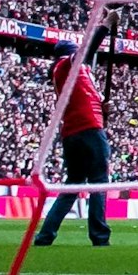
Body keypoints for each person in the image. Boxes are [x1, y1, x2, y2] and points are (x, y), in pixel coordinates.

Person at [34, 37, 112, 247]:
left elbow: (85, 99)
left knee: (72, 185)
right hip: (88, 129)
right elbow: (88, 49)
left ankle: (45, 235)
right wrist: (104, 27)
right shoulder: (65, 66)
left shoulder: (71, 75)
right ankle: (99, 235)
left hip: (73, 132)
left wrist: (102, 107)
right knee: (99, 182)